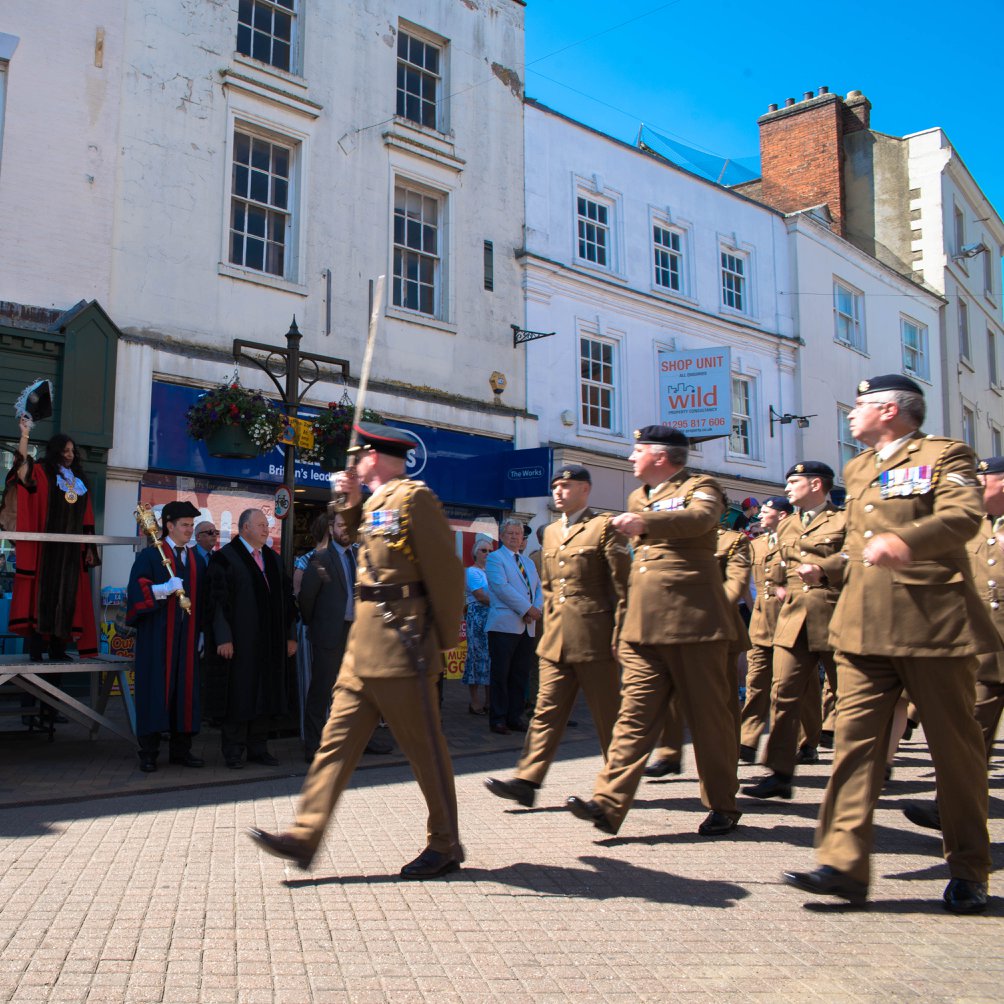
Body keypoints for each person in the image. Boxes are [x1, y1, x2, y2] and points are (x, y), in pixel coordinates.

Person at [784, 374, 997, 914]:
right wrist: (828, 568)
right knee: (853, 750)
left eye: (859, 406)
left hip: (931, 627)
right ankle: (844, 867)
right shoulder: (857, 470)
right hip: (862, 630)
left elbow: (962, 516)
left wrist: (906, 540)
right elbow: (860, 548)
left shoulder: (947, 455)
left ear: (889, 410)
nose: (851, 415)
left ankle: (970, 869)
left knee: (955, 754)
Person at [248, 422, 465, 879]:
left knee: (425, 751)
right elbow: (354, 538)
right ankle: (305, 836)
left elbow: (446, 574)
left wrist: (443, 642)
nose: (353, 465)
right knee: (335, 746)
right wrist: (346, 500)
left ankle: (445, 843)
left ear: (376, 456)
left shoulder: (414, 498)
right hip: (363, 650)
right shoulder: (378, 503)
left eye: (358, 457)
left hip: (404, 646)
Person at [566, 426, 741, 838]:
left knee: (708, 720)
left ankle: (722, 803)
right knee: (633, 718)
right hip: (645, 626)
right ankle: (607, 804)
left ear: (660, 456)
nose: (630, 457)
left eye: (637, 450)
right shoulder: (636, 496)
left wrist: (647, 521)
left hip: (693, 623)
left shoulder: (702, 486)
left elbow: (702, 519)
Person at [485, 464, 629, 807]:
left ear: (585, 490)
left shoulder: (603, 527)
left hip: (596, 637)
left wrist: (621, 633)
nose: (558, 491)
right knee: (545, 712)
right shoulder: (549, 533)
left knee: (607, 716)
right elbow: (549, 588)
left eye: (567, 485)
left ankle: (616, 789)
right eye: (555, 486)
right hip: (556, 639)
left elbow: (623, 586)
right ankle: (527, 780)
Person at [901, 455, 1004, 831]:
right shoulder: (972, 529)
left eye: (982, 480)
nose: (975, 488)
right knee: (971, 733)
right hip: (987, 648)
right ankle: (949, 810)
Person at [743, 462, 844, 800]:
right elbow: (774, 565)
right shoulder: (786, 526)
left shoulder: (844, 520)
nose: (787, 488)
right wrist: (778, 587)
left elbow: (859, 560)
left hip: (835, 619)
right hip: (793, 621)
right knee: (783, 695)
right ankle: (780, 773)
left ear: (816, 484)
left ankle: (862, 769)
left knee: (848, 696)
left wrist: (825, 569)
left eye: (794, 482)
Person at [645, 523, 751, 777]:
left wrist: (707, 609)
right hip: (675, 628)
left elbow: (736, 583)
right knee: (671, 696)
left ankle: (728, 753)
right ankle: (669, 755)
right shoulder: (676, 534)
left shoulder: (733, 541)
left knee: (722, 699)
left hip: (717, 628)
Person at [206, 508, 297, 768]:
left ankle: (258, 748)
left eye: (266, 525)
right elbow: (217, 602)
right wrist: (223, 637)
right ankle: (233, 751)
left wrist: (290, 636)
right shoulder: (225, 558)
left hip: (270, 642)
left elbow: (287, 601)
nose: (266, 529)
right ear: (244, 527)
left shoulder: (273, 559)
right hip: (240, 642)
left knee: (264, 695)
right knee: (239, 694)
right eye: (260, 524)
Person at [6, 414, 99, 662]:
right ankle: (37, 651)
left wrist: (89, 547)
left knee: (68, 600)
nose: (69, 455)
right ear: (56, 451)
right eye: (65, 450)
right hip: (47, 550)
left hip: (70, 552)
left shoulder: (79, 482)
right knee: (42, 600)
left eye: (72, 451)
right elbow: (21, 469)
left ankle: (58, 649)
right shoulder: (41, 472)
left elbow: (87, 516)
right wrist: (25, 434)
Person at [126, 500, 205, 772]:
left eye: (192, 526)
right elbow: (135, 592)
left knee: (185, 693)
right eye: (184, 525)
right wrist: (162, 589)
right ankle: (148, 752)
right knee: (155, 691)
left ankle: (181, 751)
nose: (189, 530)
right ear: (168, 526)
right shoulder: (151, 556)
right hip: (157, 639)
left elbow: (203, 600)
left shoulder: (195, 559)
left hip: (187, 638)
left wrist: (202, 631)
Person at [485, 518, 544, 735]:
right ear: (501, 536)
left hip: (528, 626)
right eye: (510, 533)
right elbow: (502, 588)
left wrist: (535, 609)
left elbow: (539, 589)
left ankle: (515, 716)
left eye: (518, 534)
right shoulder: (495, 558)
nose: (514, 537)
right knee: (501, 674)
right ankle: (498, 718)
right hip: (504, 625)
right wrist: (528, 609)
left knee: (520, 674)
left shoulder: (528, 562)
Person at [461, 534, 493, 715]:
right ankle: (474, 702)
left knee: (490, 658)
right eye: (483, 550)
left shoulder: (492, 572)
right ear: (476, 553)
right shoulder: (472, 572)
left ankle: (489, 701)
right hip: (478, 617)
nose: (487, 553)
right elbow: (480, 596)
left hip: (492, 618)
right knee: (476, 657)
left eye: (490, 550)